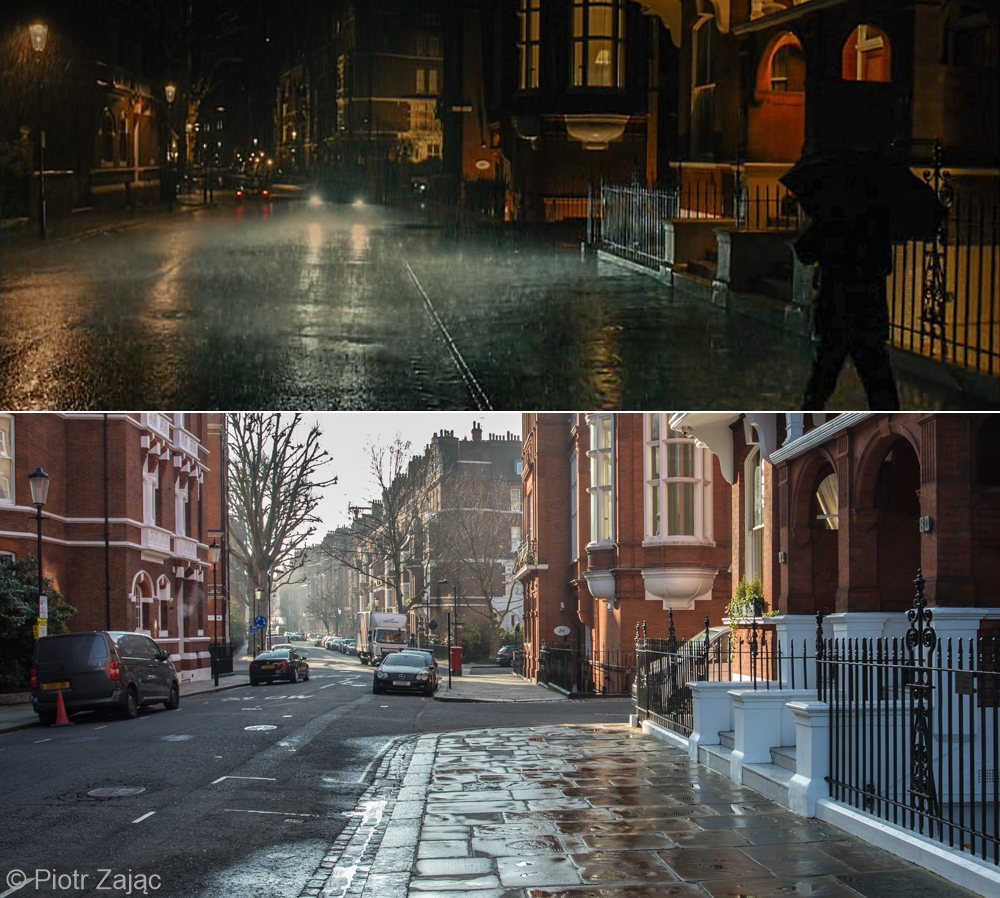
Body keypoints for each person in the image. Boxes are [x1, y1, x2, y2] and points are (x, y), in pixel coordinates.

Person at [793, 201, 900, 410]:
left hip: (835, 310)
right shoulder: (875, 218)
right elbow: (885, 265)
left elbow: (804, 251)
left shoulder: (830, 215)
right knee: (879, 385)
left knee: (821, 382)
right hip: (868, 312)